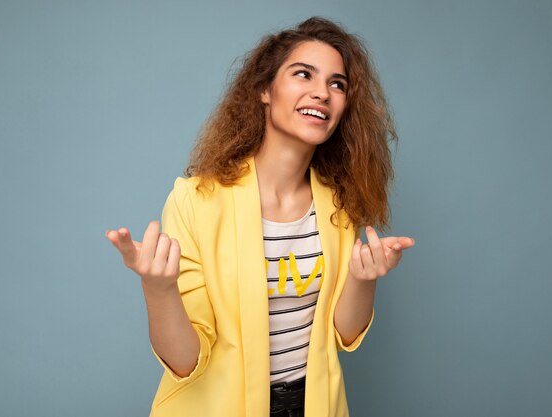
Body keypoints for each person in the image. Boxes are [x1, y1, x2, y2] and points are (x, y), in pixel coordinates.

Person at [106, 16, 415, 417]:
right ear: (264, 90)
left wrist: (362, 277)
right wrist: (158, 289)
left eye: (336, 84)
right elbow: (184, 362)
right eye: (304, 74)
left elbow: (344, 334)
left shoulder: (338, 202)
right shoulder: (196, 200)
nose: (321, 92)